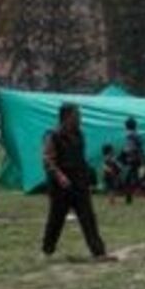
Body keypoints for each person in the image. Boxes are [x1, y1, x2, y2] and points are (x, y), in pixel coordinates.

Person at [41, 103, 113, 261]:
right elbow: (48, 160)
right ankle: (47, 249)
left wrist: (89, 177)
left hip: (79, 182)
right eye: (77, 115)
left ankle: (99, 252)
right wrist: (60, 176)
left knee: (88, 216)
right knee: (56, 218)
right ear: (66, 117)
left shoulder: (79, 134)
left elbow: (80, 159)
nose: (80, 119)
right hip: (61, 185)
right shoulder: (53, 136)